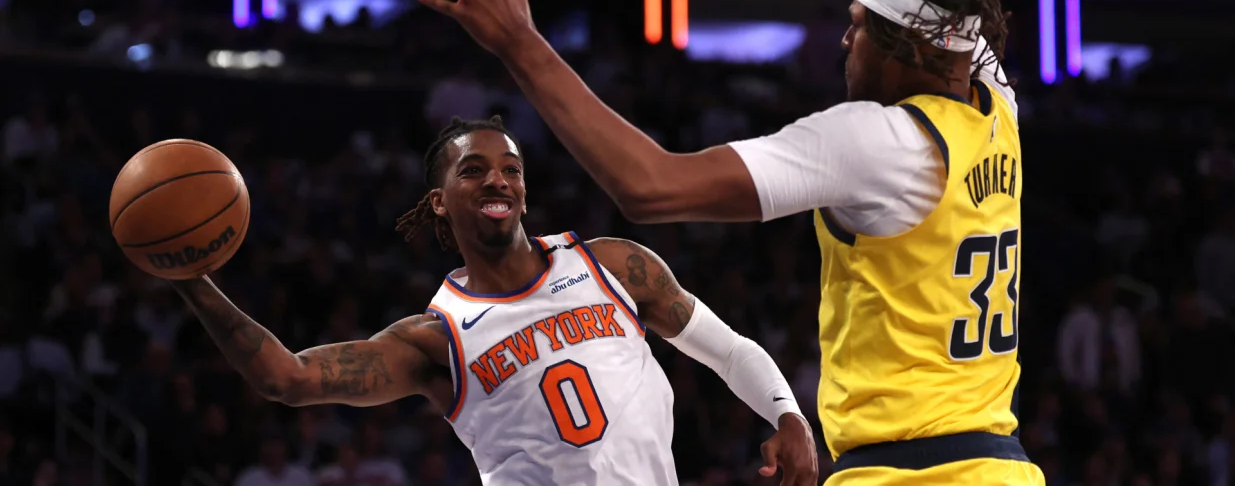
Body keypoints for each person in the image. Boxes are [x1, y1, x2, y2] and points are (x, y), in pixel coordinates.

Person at [412, 0, 1040, 483]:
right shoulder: (984, 89)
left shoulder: (876, 141)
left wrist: (520, 43)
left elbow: (649, 187)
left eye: (857, 27)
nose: (845, 40)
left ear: (899, 50)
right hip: (1001, 465)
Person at [170, 116, 817, 486]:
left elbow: (729, 352)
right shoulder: (435, 337)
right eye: (473, 169)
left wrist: (787, 416)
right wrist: (190, 278)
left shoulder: (612, 264)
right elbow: (286, 377)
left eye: (509, 167)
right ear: (439, 201)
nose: (497, 178)